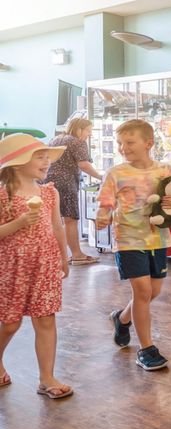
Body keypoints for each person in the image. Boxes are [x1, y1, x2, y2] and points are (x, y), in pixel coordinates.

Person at [95, 119, 171, 371]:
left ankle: (122, 319)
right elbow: (105, 201)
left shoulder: (165, 170)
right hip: (127, 239)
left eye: (129, 142)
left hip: (158, 238)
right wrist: (103, 216)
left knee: (152, 292)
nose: (123, 148)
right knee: (142, 292)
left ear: (149, 143)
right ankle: (146, 349)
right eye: (120, 143)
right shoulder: (116, 173)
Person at [0, 134, 73, 399]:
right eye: (39, 157)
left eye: (47, 157)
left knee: (45, 319)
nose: (46, 162)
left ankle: (46, 377)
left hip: (45, 264)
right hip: (12, 267)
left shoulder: (49, 192)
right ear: (18, 163)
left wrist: (64, 257)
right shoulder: (2, 194)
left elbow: (57, 227)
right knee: (10, 324)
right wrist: (19, 223)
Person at [44, 117, 103, 265]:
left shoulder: (55, 139)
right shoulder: (78, 142)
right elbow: (84, 165)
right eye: (88, 130)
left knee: (56, 221)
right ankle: (77, 254)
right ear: (79, 129)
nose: (89, 134)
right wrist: (102, 177)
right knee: (71, 220)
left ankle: (58, 255)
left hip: (47, 183)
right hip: (66, 183)